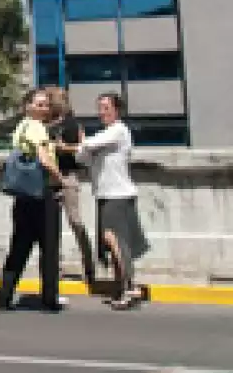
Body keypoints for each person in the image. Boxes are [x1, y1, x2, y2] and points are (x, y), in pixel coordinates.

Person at [79, 93, 150, 311]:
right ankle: (122, 287)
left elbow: (86, 144)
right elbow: (82, 157)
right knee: (113, 243)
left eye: (106, 107)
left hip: (118, 195)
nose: (101, 112)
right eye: (99, 108)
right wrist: (83, 146)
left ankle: (130, 287)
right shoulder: (105, 134)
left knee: (116, 241)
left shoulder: (119, 130)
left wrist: (82, 142)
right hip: (105, 194)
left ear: (116, 110)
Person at [0, 88, 65, 312]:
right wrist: (60, 179)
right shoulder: (37, 128)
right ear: (28, 106)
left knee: (19, 246)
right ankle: (49, 299)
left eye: (45, 104)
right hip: (42, 194)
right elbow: (44, 160)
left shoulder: (21, 127)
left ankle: (4, 295)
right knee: (49, 248)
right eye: (39, 104)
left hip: (24, 196)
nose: (43, 108)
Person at [46, 87, 96, 288]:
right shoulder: (44, 125)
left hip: (68, 176)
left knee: (75, 221)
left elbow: (83, 148)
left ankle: (89, 266)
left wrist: (62, 147)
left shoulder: (73, 124)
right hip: (49, 178)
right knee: (50, 225)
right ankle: (52, 267)